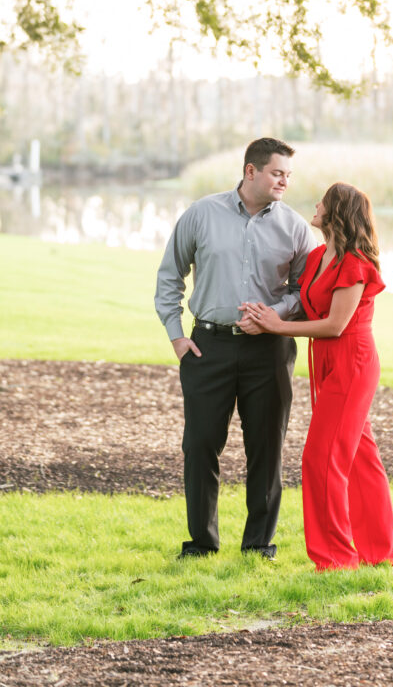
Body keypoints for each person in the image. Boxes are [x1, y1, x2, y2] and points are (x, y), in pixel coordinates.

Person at [155, 137, 313, 560]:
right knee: (200, 444)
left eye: (288, 176)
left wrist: (273, 314)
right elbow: (170, 275)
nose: (284, 181)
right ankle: (201, 544)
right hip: (208, 348)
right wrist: (177, 336)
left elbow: (306, 291)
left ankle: (259, 545)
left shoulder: (295, 226)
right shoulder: (203, 213)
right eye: (277, 173)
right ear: (250, 172)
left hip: (270, 351)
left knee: (266, 447)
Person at [243, 182, 393, 571]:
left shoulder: (355, 263)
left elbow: (334, 326)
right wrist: (265, 315)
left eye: (323, 202)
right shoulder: (317, 258)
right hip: (326, 360)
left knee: (320, 459)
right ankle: (377, 552)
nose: (316, 205)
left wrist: (275, 327)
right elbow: (304, 309)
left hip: (351, 360)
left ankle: (335, 560)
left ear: (337, 211)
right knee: (360, 456)